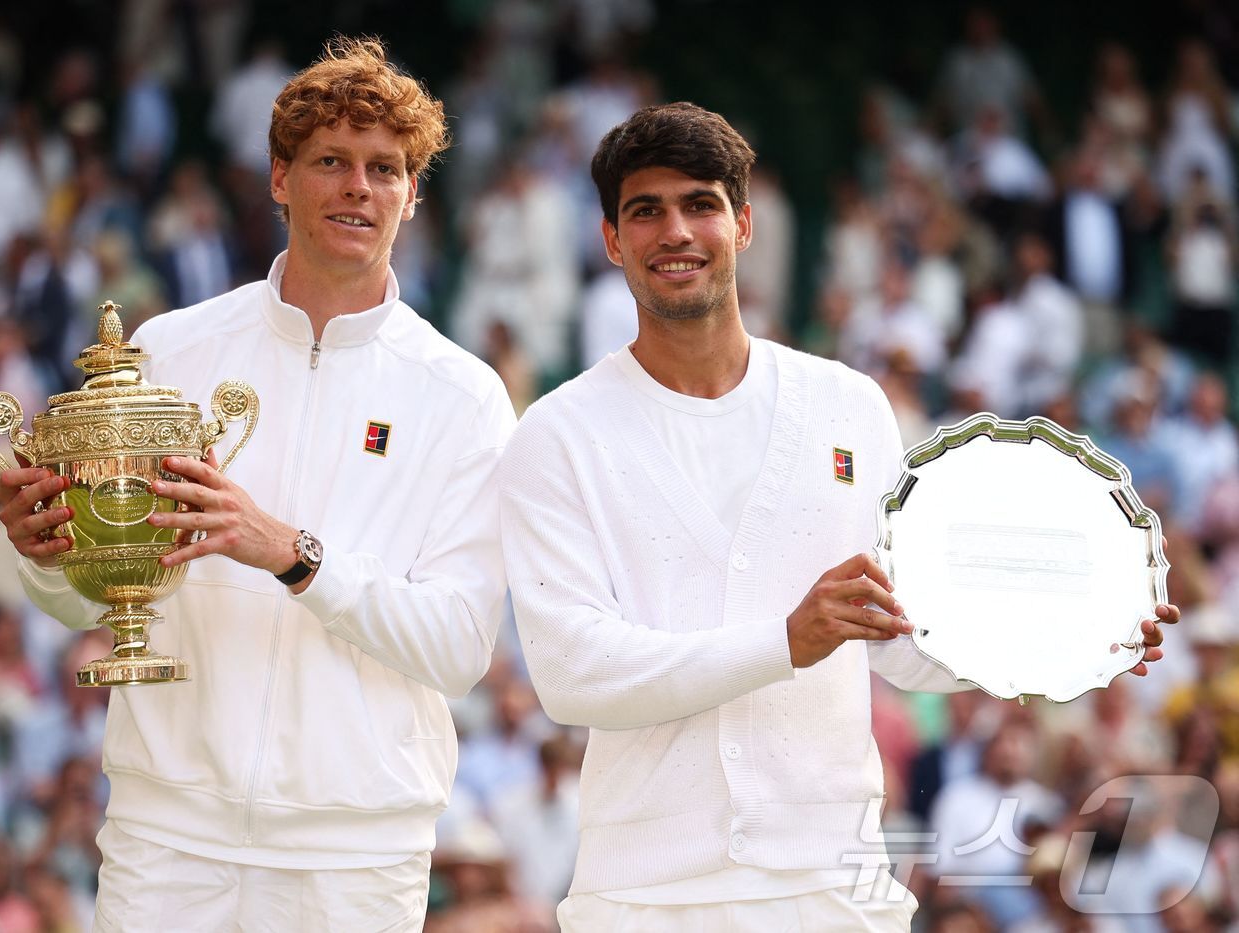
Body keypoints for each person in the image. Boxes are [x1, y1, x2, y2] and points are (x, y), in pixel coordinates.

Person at [496, 102, 1176, 932]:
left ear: (743, 224)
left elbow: (902, 639)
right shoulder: (555, 433)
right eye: (646, 210)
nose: (675, 230)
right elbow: (574, 675)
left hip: (833, 887)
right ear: (611, 241)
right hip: (646, 895)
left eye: (700, 204)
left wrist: (1072, 630)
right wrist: (786, 640)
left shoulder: (849, 406)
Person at [0, 37, 515, 931]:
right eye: (331, 162)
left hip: (354, 860)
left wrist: (294, 555)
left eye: (385, 168)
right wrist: (45, 553)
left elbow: (459, 649)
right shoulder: (167, 351)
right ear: (279, 177)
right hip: (167, 844)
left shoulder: (465, 396)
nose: (359, 187)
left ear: (414, 195)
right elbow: (91, 602)